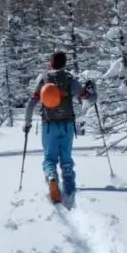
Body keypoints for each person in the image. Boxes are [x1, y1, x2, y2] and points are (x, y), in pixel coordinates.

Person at [23, 50, 95, 205]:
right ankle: (69, 187)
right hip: (67, 125)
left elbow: (31, 104)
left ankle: (51, 177)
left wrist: (27, 123)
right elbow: (90, 98)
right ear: (64, 63)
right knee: (66, 158)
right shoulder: (70, 80)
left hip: (49, 125)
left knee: (50, 158)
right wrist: (92, 89)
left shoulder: (44, 79)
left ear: (51, 63)